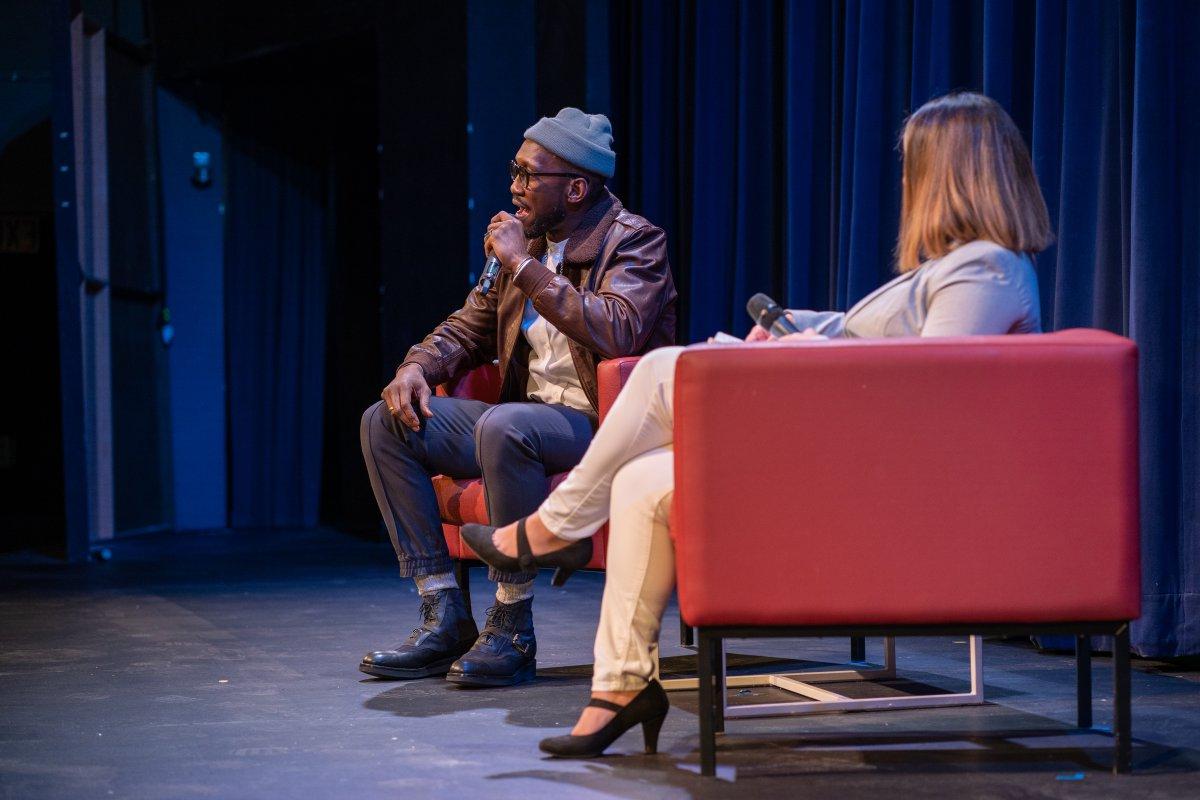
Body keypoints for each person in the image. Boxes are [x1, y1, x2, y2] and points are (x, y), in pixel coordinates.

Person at [461, 91, 1053, 753]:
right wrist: (803, 328)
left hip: (894, 487)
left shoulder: (987, 270)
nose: (907, 184)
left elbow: (925, 394)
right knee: (644, 482)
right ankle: (621, 687)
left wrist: (805, 353)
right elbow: (890, 347)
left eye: (914, 168)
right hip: (860, 455)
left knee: (664, 370)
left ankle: (549, 529)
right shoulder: (957, 269)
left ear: (948, 177)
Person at [359, 108, 677, 688]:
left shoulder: (634, 241)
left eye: (528, 174)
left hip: (603, 425)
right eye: (515, 172)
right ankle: (443, 614)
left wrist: (523, 265)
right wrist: (416, 365)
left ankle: (511, 626)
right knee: (386, 421)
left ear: (576, 188)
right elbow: (468, 327)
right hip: (521, 418)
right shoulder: (523, 248)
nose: (515, 186)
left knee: (506, 426)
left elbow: (619, 329)